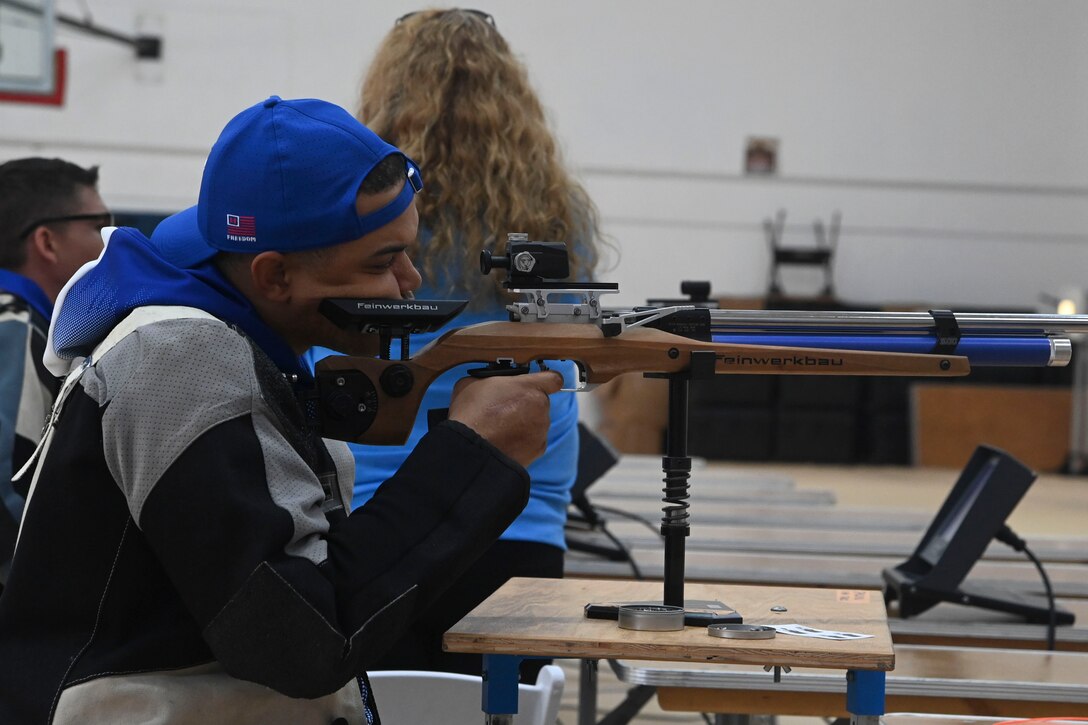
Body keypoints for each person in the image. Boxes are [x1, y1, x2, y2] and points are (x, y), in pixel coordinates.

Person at [0, 96, 560, 724]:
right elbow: (302, 641)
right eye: (381, 261)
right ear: (272, 276)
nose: (410, 279)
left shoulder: (217, 328)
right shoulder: (180, 360)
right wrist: (473, 452)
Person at [304, 8, 607, 677]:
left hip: (379, 504)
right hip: (521, 499)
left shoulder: (361, 202)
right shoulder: (558, 209)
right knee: (508, 708)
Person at [0, 157, 109, 585]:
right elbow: (8, 493)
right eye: (99, 226)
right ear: (47, 241)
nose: (111, 243)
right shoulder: (15, 328)